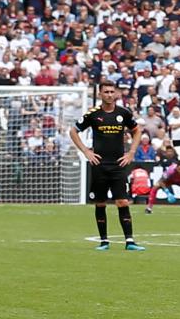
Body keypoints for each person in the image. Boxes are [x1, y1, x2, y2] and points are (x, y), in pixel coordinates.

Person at [69, 80, 146, 250]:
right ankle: (104, 241)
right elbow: (73, 131)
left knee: (122, 202)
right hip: (99, 165)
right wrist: (86, 151)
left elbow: (137, 131)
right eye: (106, 92)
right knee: (100, 203)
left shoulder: (123, 113)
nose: (109, 95)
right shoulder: (93, 114)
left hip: (118, 164)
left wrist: (131, 152)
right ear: (100, 94)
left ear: (116, 93)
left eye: (112, 92)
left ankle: (130, 241)